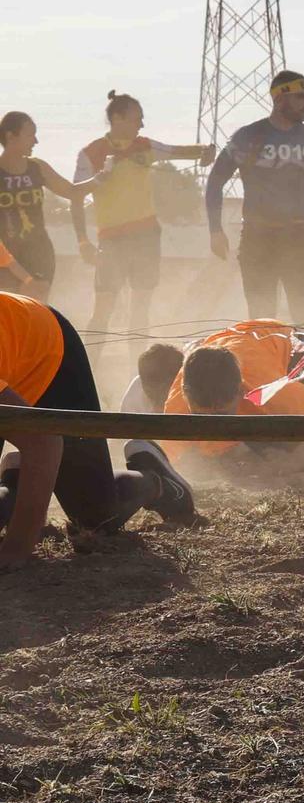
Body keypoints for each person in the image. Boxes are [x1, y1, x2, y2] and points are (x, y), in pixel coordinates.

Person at [0, 291, 196, 569]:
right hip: (10, 358)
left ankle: (157, 482)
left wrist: (16, 548)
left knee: (95, 515)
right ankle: (18, 482)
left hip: (48, 353)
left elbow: (44, 440)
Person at [205, 70, 304, 323]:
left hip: (298, 237)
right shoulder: (247, 137)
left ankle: (302, 362)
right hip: (257, 238)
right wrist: (215, 230)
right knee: (262, 320)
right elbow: (215, 181)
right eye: (301, 97)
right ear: (280, 99)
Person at [72, 92, 215, 333]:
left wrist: (206, 151)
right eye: (137, 118)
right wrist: (82, 240)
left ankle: (136, 367)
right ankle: (88, 368)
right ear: (117, 118)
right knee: (103, 310)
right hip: (111, 238)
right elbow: (75, 196)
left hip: (146, 235)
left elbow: (179, 151)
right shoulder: (91, 152)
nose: (142, 124)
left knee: (141, 310)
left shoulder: (144, 145)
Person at [155, 320, 304, 472]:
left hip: (285, 344)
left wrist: (293, 462)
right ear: (186, 396)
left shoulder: (271, 389)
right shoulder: (177, 403)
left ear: (241, 391)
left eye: (222, 415)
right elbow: (167, 460)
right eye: (200, 417)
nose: (214, 425)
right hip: (238, 346)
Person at [0, 112, 98, 299]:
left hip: (38, 252)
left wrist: (102, 178)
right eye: (30, 135)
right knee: (8, 313)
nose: (36, 141)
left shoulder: (37, 167)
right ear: (10, 136)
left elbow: (73, 192)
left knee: (35, 306)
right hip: (5, 254)